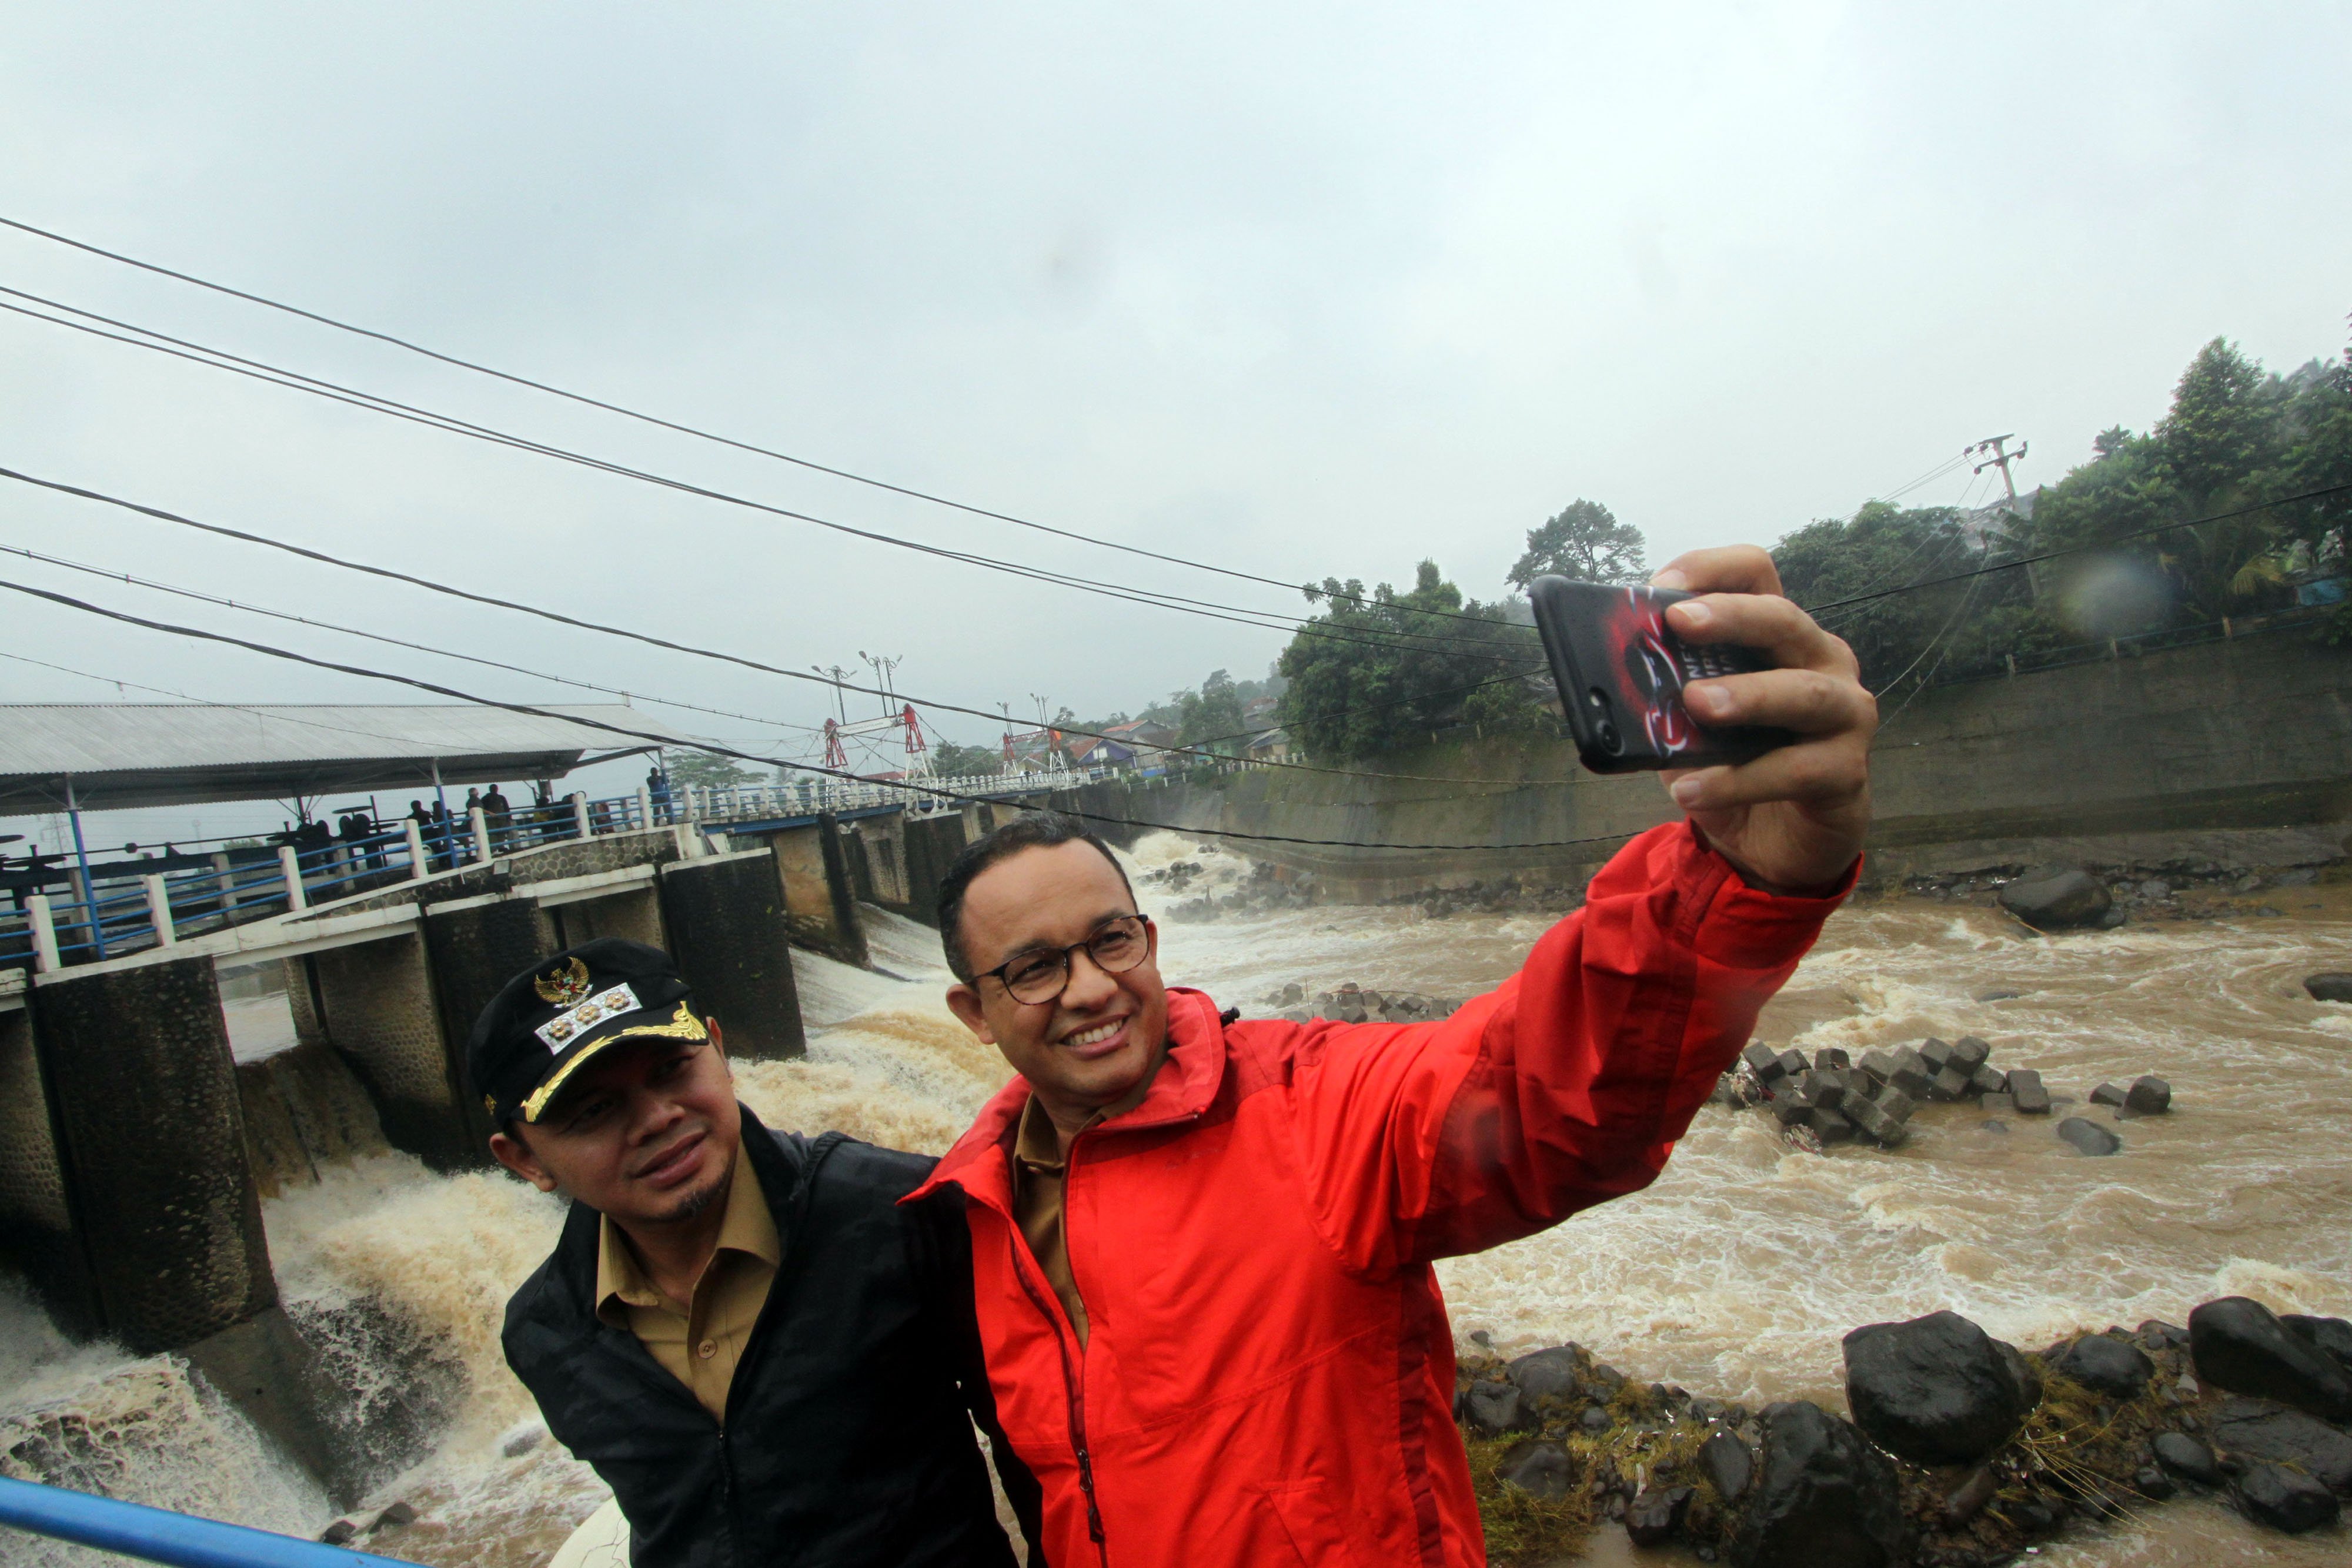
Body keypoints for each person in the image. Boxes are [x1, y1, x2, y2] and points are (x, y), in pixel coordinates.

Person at [916, 546, 1876, 1566]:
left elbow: (1544, 1089)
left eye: (1112, 940)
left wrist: (1734, 876)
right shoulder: (964, 1221)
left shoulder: (1310, 1108)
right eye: (1034, 968)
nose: (1091, 988)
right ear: (974, 1012)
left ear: (1147, 938)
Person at [477, 938, 1034, 1567]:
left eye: (671, 1069)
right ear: (524, 1160)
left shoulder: (903, 1213)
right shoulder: (546, 1331)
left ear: (719, 1050)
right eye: (595, 1110)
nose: (658, 1118)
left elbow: (1043, 1451)